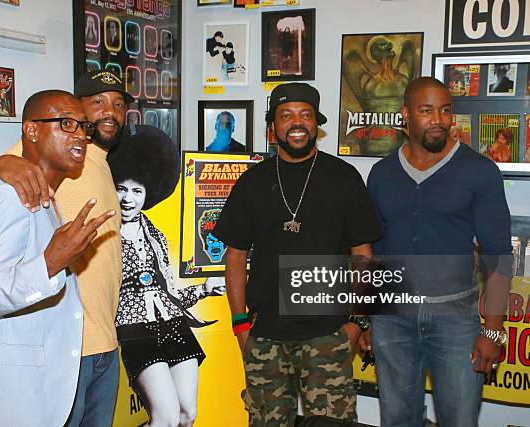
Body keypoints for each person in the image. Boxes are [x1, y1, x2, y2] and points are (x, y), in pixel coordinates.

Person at [0, 70, 135, 427]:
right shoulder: (21, 176)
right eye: (96, 104)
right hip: (58, 355)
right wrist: (0, 165)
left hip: (100, 345)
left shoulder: (90, 166)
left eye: (118, 104)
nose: (107, 113)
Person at [213, 83, 381, 425]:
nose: (297, 122)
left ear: (316, 123)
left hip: (329, 334)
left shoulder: (344, 178)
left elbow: (362, 252)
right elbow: (235, 255)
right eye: (286, 115)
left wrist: (358, 321)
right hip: (266, 337)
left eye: (305, 114)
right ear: (272, 128)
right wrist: (239, 324)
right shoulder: (252, 182)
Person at [367, 77, 512, 427]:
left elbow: (498, 254)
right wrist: (368, 317)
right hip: (392, 321)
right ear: (405, 115)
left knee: (460, 419)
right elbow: (373, 251)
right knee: (397, 418)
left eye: (445, 110)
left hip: (455, 321)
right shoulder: (382, 174)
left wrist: (493, 330)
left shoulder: (479, 171)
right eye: (426, 110)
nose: (438, 119)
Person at [107, 125, 225, 427]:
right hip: (135, 331)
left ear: (148, 194)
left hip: (173, 325)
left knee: (187, 414)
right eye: (121, 189)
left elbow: (169, 294)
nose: (128, 199)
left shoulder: (156, 236)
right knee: (166, 416)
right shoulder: (103, 234)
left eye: (136, 191)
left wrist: (204, 288)